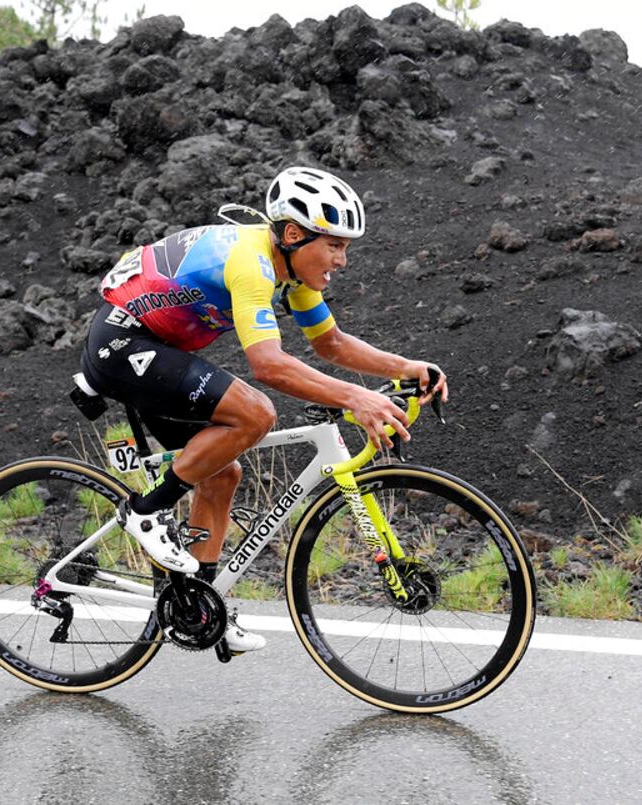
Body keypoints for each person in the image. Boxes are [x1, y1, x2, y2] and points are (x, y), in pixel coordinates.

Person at [77, 166, 448, 653]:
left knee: (221, 473)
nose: (342, 259)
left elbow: (330, 342)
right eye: (335, 245)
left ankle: (198, 604)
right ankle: (145, 512)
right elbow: (269, 365)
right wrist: (357, 397)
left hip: (158, 346)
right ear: (294, 234)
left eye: (345, 247)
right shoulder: (251, 261)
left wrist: (405, 366)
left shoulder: (291, 270)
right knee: (255, 413)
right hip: (122, 341)